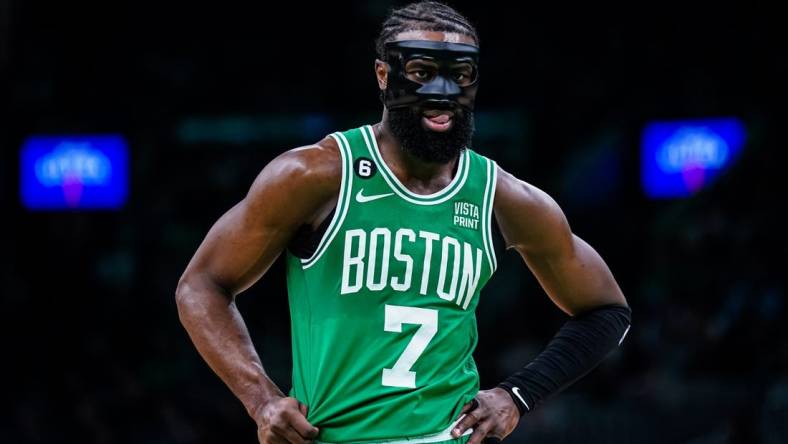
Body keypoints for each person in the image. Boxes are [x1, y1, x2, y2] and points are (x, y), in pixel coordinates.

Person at [175, 2, 631, 443]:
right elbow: (201, 286)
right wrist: (261, 400)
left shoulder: (503, 197)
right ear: (383, 75)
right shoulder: (316, 174)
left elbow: (607, 312)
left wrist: (518, 395)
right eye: (422, 72)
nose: (443, 91)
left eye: (460, 75)